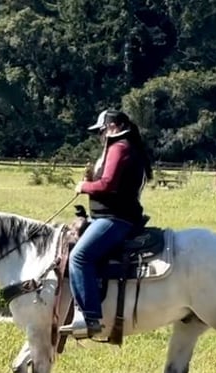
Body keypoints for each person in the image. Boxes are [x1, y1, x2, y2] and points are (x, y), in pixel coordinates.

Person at [60, 109, 153, 339]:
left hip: (115, 219)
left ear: (112, 127)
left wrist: (84, 187)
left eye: (101, 131)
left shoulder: (119, 148)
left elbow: (108, 185)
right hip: (110, 216)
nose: (100, 137)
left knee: (79, 257)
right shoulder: (126, 146)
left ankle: (90, 317)